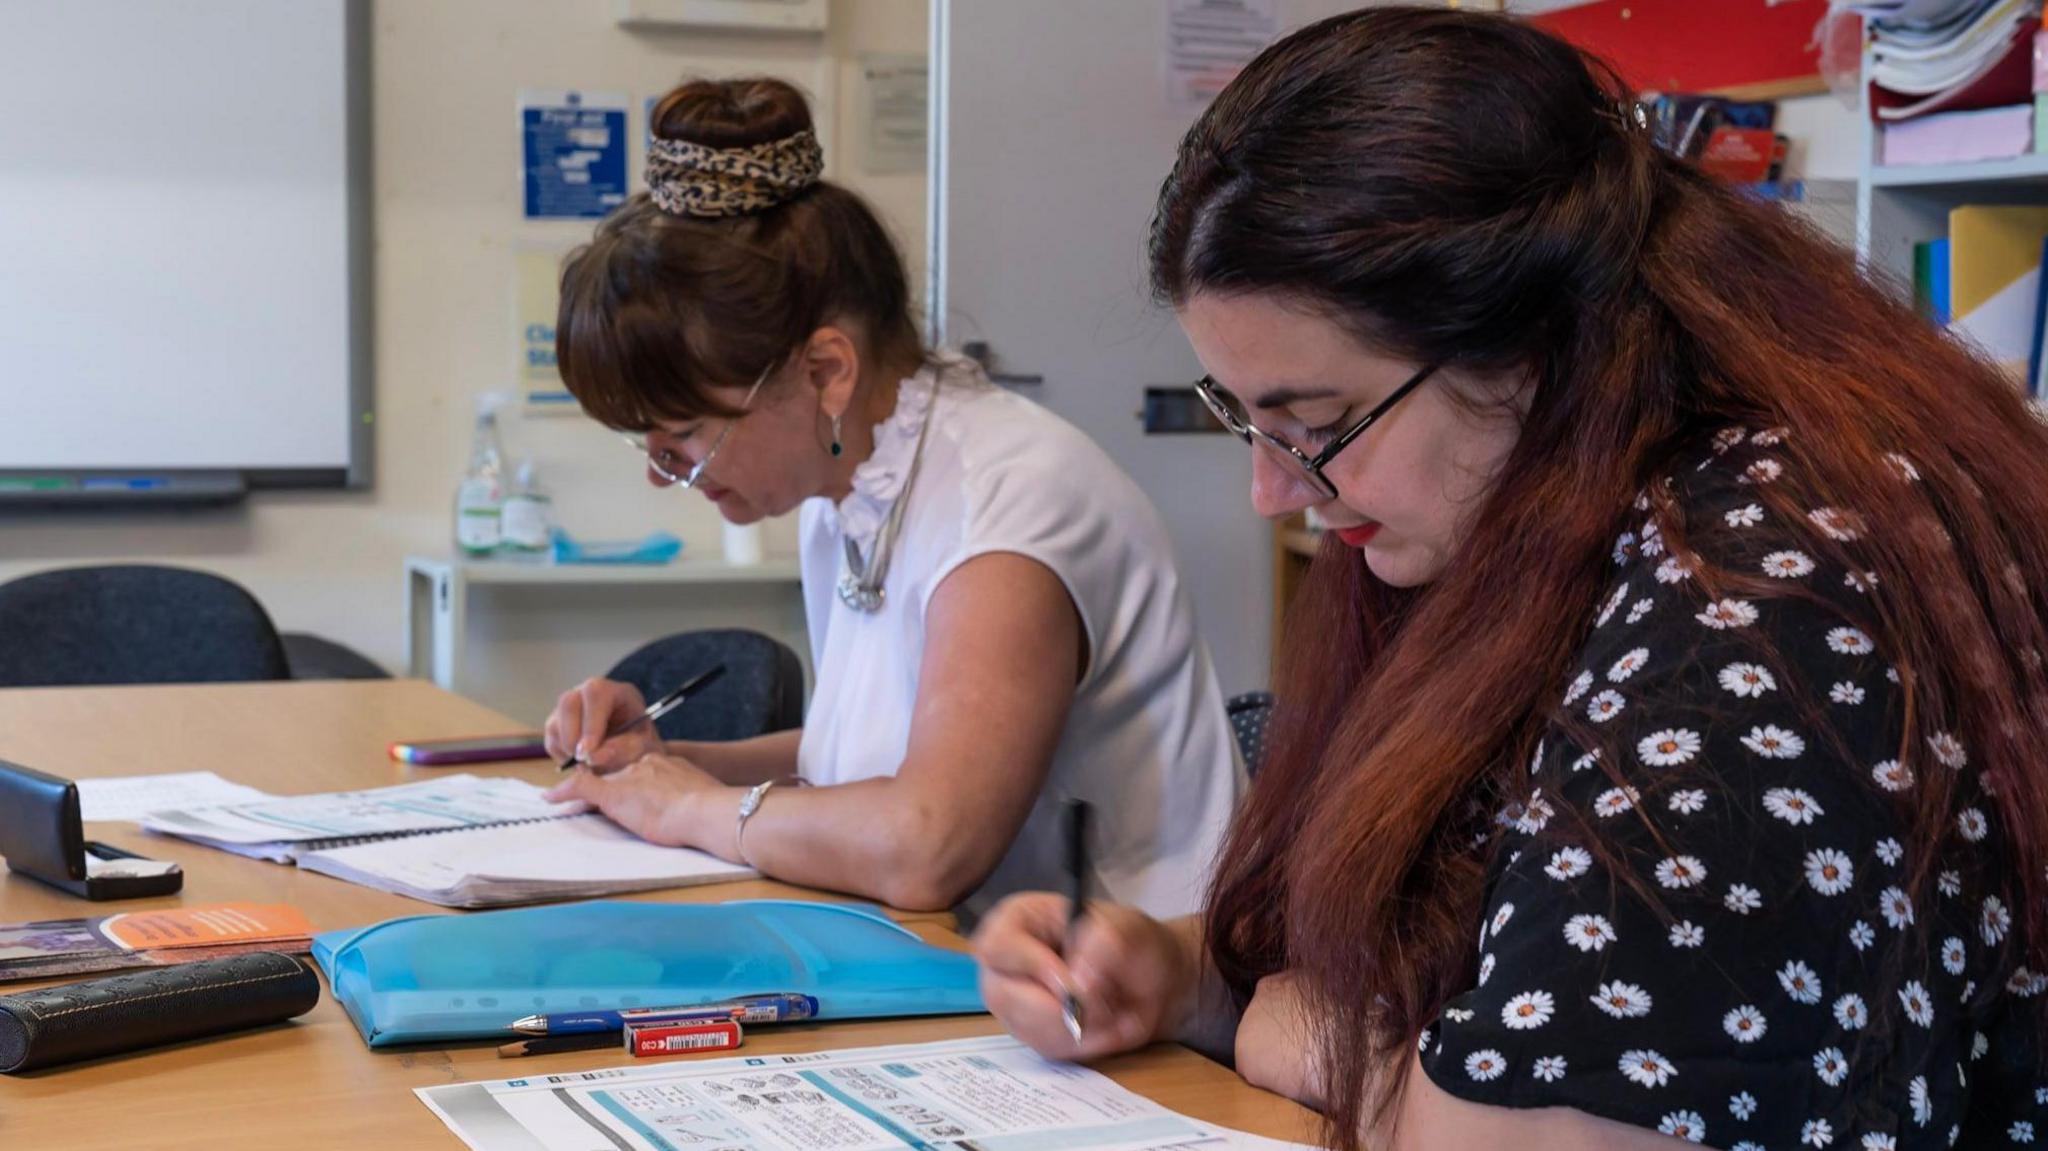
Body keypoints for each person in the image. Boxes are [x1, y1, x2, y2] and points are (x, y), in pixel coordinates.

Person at [975, 8, 2048, 1149]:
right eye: (1243, 419)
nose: (1272, 491)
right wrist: (1184, 975)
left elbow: (1523, 1135)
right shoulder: (1552, 503)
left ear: (1536, 346)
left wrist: (1296, 1026)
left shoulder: (1760, 598)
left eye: (1318, 423)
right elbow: (1451, 960)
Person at [540, 77, 1243, 925]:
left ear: (825, 371)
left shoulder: (1011, 505)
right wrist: (664, 764)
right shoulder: (846, 490)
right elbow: (871, 757)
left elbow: (925, 841)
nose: (663, 474)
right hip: (982, 969)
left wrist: (689, 807)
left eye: (682, 434)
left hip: (1133, 1004)